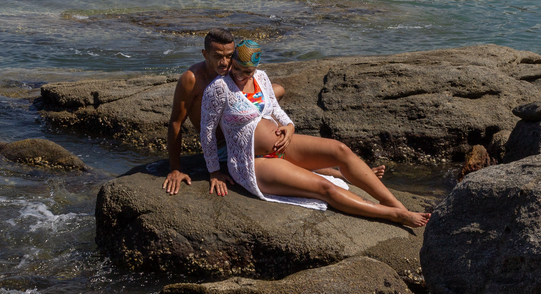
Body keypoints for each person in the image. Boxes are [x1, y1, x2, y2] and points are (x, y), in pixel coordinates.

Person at [199, 40, 429, 228]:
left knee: (340, 150)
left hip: (284, 146)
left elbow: (275, 109)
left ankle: (396, 204)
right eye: (236, 68)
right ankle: (393, 215)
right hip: (253, 161)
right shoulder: (219, 88)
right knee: (325, 188)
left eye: (246, 71)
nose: (239, 75)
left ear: (255, 68)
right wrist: (215, 172)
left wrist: (289, 127)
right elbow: (207, 131)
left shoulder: (261, 78)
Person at [162, 28, 285, 195]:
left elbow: (273, 90)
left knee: (277, 90)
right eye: (218, 56)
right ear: (205, 54)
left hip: (243, 135)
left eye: (229, 56)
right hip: (221, 148)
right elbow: (176, 123)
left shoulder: (234, 72)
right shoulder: (192, 79)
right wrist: (175, 169)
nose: (225, 62)